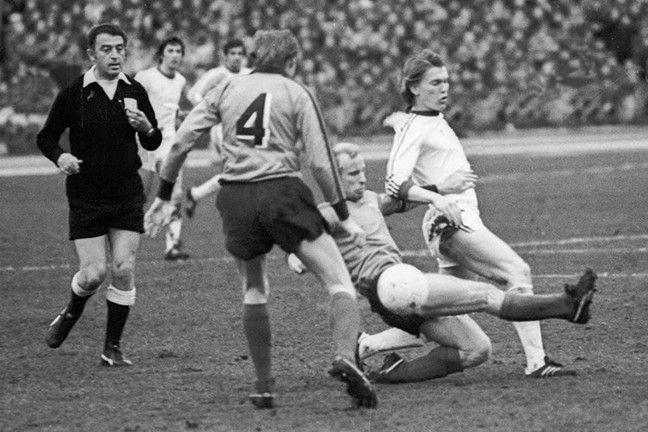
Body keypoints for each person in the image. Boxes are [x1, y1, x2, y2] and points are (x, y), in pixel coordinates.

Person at [144, 30, 377, 409]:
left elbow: (181, 142)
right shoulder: (296, 92)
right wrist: (343, 214)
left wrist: (162, 196)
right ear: (292, 62)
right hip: (281, 191)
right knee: (339, 282)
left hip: (236, 197)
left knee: (254, 288)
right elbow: (321, 163)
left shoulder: (226, 88)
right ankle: (345, 356)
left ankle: (264, 385)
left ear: (254, 57)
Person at [287, 142, 598, 383]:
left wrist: (440, 190)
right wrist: (295, 256)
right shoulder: (329, 212)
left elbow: (398, 201)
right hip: (390, 283)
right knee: (486, 295)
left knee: (477, 350)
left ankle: (393, 374)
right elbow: (305, 235)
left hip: (398, 293)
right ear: (333, 179)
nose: (362, 177)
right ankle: (567, 305)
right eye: (353, 174)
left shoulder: (369, 199)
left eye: (363, 170)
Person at [384, 49, 575, 377]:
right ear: (414, 87)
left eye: (446, 81)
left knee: (443, 308)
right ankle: (537, 362)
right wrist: (439, 194)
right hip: (450, 220)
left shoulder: (428, 120)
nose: (444, 88)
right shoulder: (416, 126)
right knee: (516, 271)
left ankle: (366, 346)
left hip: (459, 216)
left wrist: (402, 119)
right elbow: (393, 183)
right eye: (435, 82)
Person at [36, 23, 162, 366]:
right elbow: (46, 137)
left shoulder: (134, 90)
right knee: (93, 274)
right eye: (107, 49)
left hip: (126, 193)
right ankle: (70, 311)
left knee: (123, 268)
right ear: (92, 53)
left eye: (120, 48)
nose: (115, 55)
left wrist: (146, 128)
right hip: (87, 195)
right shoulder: (75, 93)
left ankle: (112, 348)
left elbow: (153, 141)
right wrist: (60, 157)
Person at [183, 38, 251, 218]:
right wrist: (212, 110)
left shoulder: (249, 74)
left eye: (240, 54)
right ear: (224, 56)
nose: (237, 57)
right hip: (222, 128)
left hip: (244, 129)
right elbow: (193, 94)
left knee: (239, 171)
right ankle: (240, 211)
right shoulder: (217, 74)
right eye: (233, 53)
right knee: (239, 169)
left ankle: (196, 194)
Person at [135, 36, 189, 260]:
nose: (175, 55)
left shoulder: (180, 81)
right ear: (161, 54)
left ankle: (172, 246)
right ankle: (127, 239)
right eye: (171, 51)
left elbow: (171, 109)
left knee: (175, 193)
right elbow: (132, 103)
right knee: (139, 194)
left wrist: (179, 116)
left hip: (168, 142)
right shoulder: (145, 77)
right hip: (144, 141)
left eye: (178, 51)